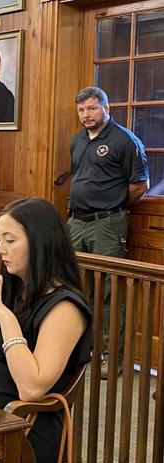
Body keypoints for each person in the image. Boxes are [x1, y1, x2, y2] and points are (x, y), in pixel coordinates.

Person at [0, 197, 93, 463]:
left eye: (10, 240)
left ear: (40, 243)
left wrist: (5, 317)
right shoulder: (15, 290)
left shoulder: (65, 307)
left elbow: (31, 388)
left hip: (23, 428)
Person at [67, 86, 149, 377]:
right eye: (81, 110)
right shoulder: (77, 140)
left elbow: (140, 185)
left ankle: (112, 357)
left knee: (109, 292)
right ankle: (82, 348)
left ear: (106, 108)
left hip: (107, 224)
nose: (86, 115)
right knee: (76, 287)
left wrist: (111, 206)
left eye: (91, 109)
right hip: (76, 222)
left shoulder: (125, 140)